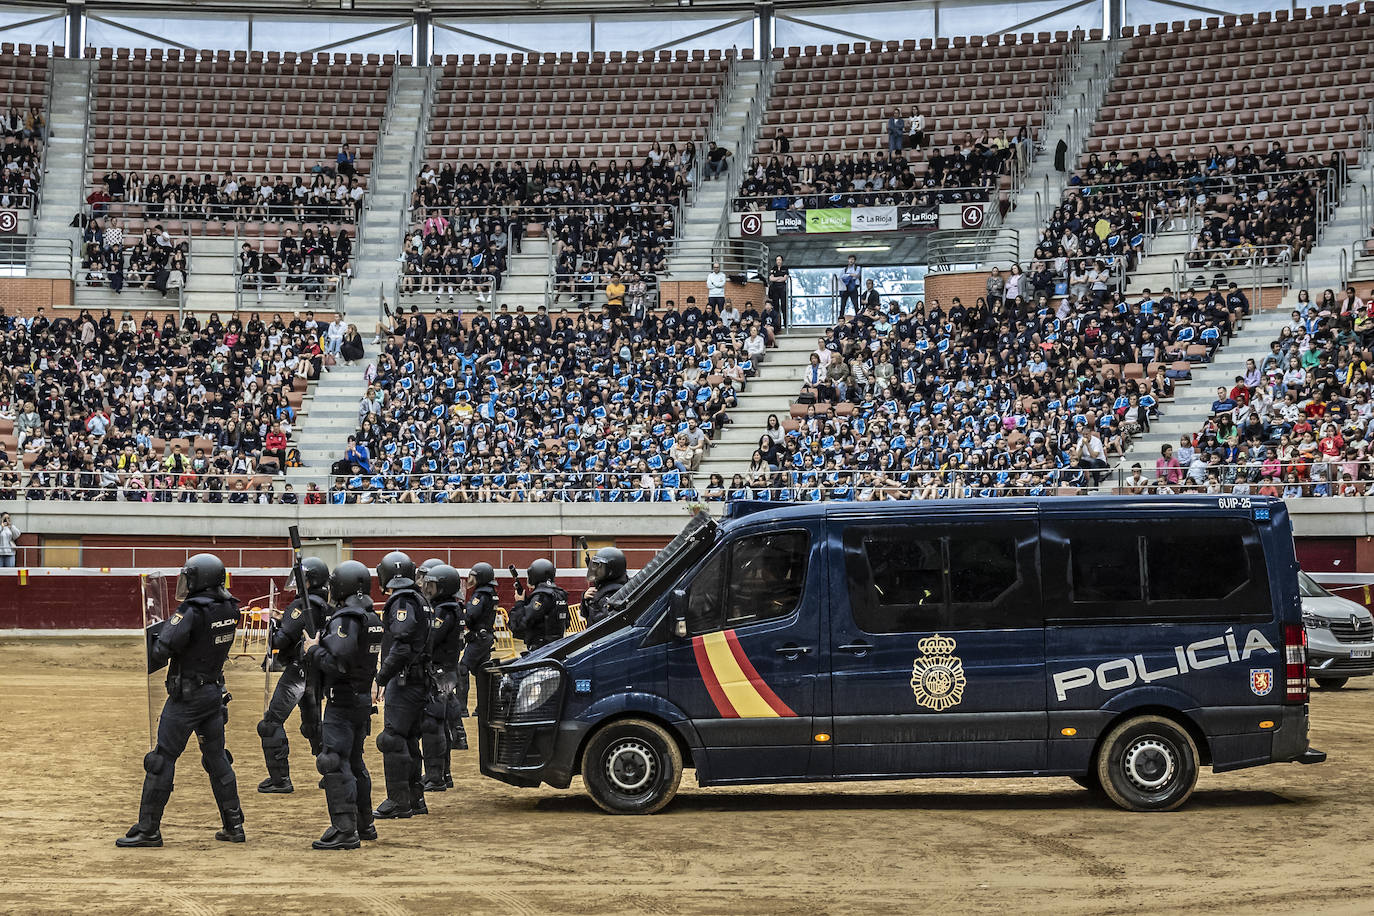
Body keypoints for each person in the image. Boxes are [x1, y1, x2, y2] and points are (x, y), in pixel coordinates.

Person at [116, 554, 244, 847]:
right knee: (217, 759)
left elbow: (163, 648)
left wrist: (158, 633)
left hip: (187, 696)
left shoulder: (192, 610)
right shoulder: (229, 608)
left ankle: (148, 830)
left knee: (160, 760)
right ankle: (234, 825)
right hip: (213, 691)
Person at [302, 559, 383, 850]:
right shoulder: (371, 618)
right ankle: (364, 824)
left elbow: (337, 664)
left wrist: (313, 650)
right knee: (355, 761)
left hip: (343, 701)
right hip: (361, 699)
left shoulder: (346, 619)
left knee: (333, 761)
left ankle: (344, 829)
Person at [256, 556, 330, 794]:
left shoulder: (302, 606)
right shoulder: (325, 606)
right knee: (313, 724)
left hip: (297, 673)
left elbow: (280, 640)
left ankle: (280, 779)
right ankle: (332, 772)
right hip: (315, 673)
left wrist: (274, 627)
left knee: (270, 723)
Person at [371, 551, 433, 820]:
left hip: (406, 681)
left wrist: (381, 677)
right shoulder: (419, 599)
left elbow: (402, 645)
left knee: (393, 738)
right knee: (407, 739)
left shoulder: (403, 601)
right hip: (418, 680)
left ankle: (399, 801)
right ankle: (414, 798)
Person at [420, 563, 464, 792]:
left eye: (433, 586)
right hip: (445, 672)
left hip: (441, 674)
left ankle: (436, 776)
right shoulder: (448, 608)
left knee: (432, 725)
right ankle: (442, 774)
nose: (428, 589)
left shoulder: (444, 611)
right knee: (439, 724)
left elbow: (431, 638)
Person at [454, 561, 498, 746]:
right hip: (486, 637)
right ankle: (483, 708)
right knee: (482, 673)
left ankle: (462, 708)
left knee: (462, 669)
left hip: (478, 639)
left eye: (473, 575)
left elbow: (471, 615)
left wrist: (461, 609)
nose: (470, 579)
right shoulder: (492, 594)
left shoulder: (481, 595)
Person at [509, 558, 569, 653]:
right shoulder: (560, 594)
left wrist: (519, 603)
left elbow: (520, 626)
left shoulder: (541, 597)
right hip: (556, 647)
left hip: (540, 650)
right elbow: (566, 623)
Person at [581, 547, 629, 626]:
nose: (596, 570)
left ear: (612, 570)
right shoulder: (603, 587)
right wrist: (585, 599)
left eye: (600, 567)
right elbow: (585, 615)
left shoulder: (615, 595)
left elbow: (600, 625)